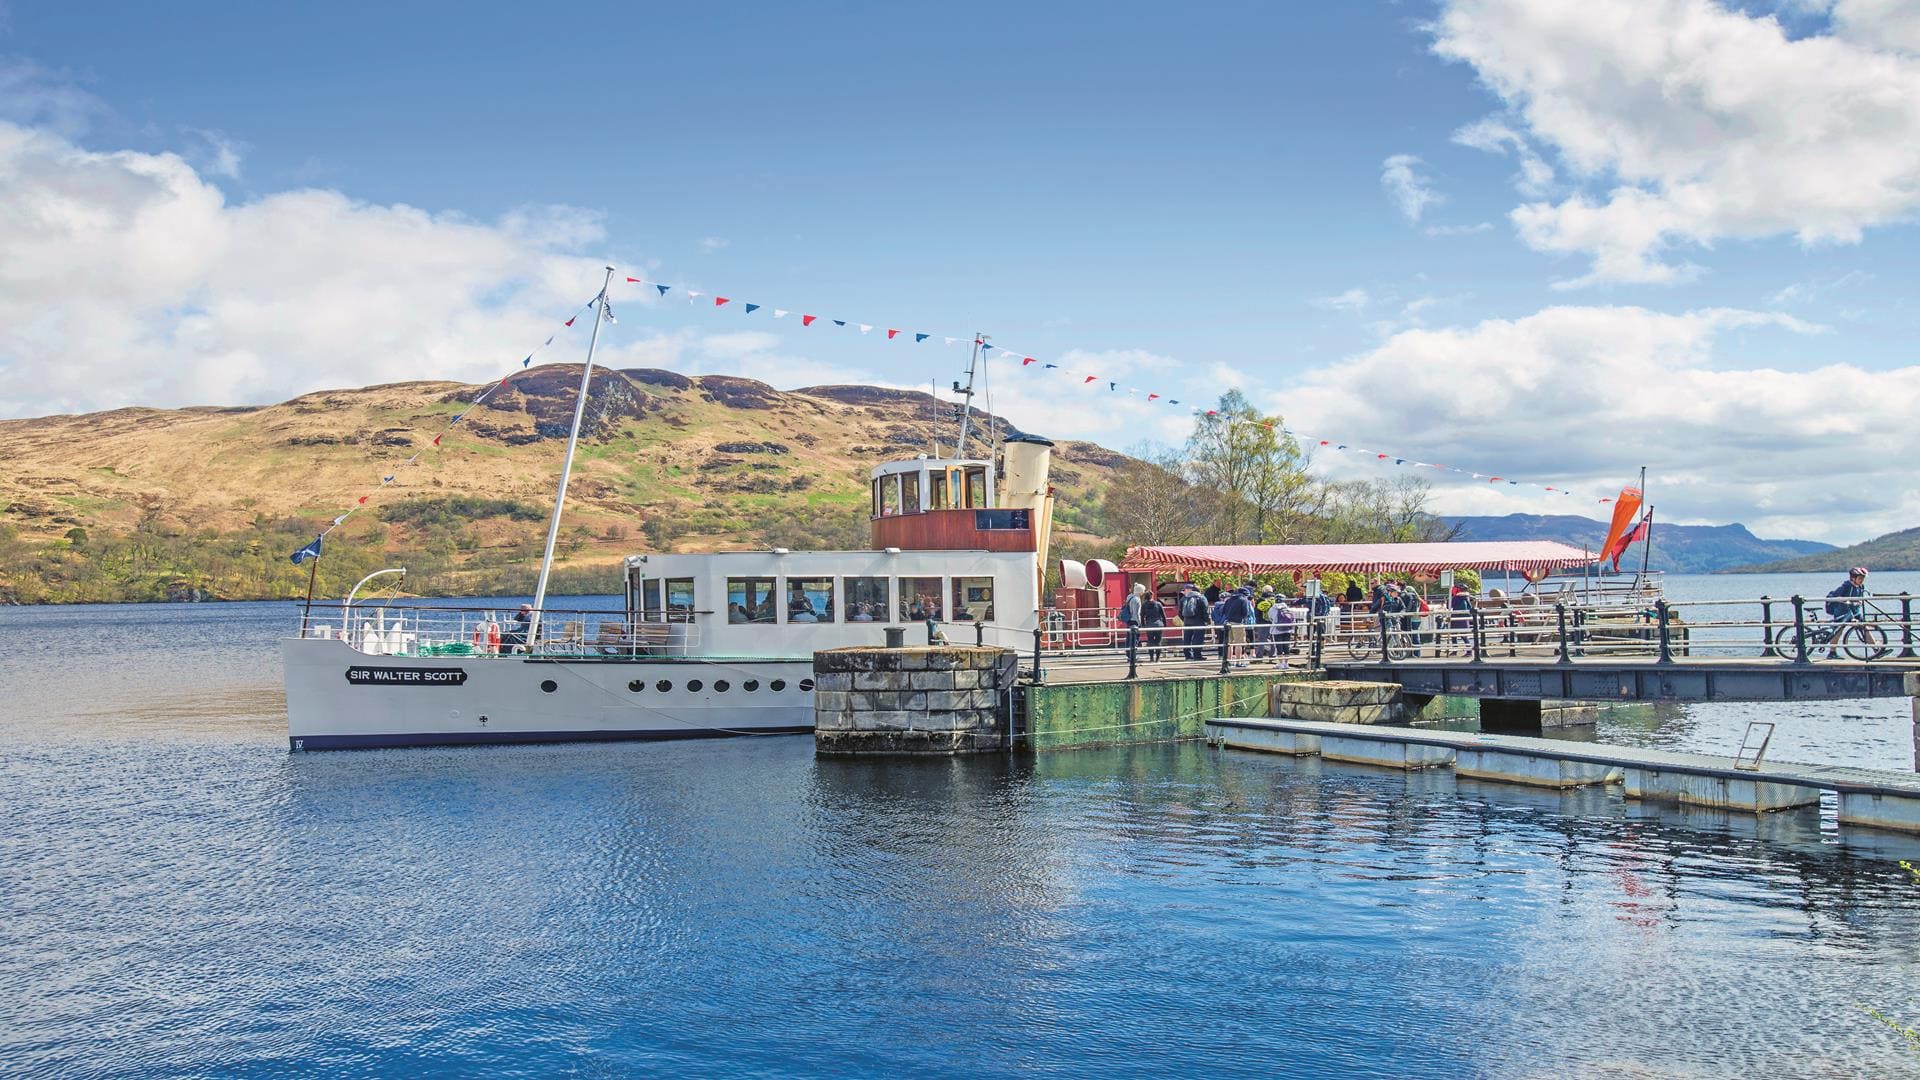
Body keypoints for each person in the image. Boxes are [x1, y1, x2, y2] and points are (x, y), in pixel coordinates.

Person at [1222, 585, 1254, 666]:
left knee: (1228, 643)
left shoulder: (1229, 600)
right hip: (1238, 623)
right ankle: (1238, 661)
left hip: (1228, 622)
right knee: (1239, 643)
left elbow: (1224, 611)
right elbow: (1246, 613)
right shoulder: (1243, 600)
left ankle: (1228, 661)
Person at [1178, 584, 1210, 661]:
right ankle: (1197, 655)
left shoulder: (1184, 598)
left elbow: (1180, 611)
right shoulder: (1201, 598)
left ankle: (1187, 655)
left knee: (1187, 638)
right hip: (1198, 621)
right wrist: (1206, 620)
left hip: (1187, 621)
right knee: (1198, 638)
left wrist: (1184, 619)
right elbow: (1205, 610)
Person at [1141, 587, 1167, 661]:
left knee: (1150, 641)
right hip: (1158, 624)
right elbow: (1163, 615)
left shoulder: (1144, 605)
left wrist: (1143, 625)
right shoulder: (1158, 604)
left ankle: (1151, 658)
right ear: (1152, 596)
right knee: (1158, 641)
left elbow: (1142, 616)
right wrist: (1165, 624)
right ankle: (1158, 659)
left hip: (1149, 625)